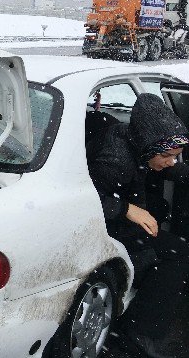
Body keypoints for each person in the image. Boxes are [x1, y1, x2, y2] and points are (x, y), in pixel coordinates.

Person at [87, 93, 189, 358]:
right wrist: (126, 209)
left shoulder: (134, 141)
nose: (172, 161)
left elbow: (164, 166)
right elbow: (85, 202)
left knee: (160, 208)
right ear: (150, 146)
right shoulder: (116, 161)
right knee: (179, 255)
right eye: (169, 155)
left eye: (177, 155)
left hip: (123, 204)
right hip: (106, 228)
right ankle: (138, 337)